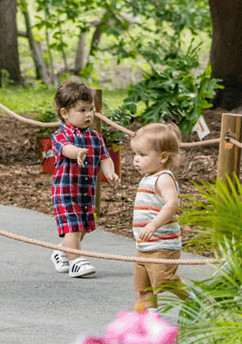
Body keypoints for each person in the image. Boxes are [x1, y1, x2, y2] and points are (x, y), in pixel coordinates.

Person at [50, 80, 119, 278]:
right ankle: (76, 262)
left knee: (85, 226)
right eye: (82, 110)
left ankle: (62, 251)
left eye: (91, 109)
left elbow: (104, 157)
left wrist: (109, 172)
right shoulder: (60, 135)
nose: (89, 114)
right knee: (73, 225)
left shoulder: (96, 137)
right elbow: (65, 149)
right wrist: (77, 152)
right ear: (65, 113)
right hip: (66, 192)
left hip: (86, 192)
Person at [130, 122, 184, 312]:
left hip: (162, 244)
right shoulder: (147, 178)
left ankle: (195, 300)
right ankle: (151, 323)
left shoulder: (164, 178)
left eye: (142, 155)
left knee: (163, 281)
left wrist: (153, 225)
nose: (136, 160)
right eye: (135, 154)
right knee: (143, 288)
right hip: (144, 245)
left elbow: (172, 204)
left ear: (162, 157)